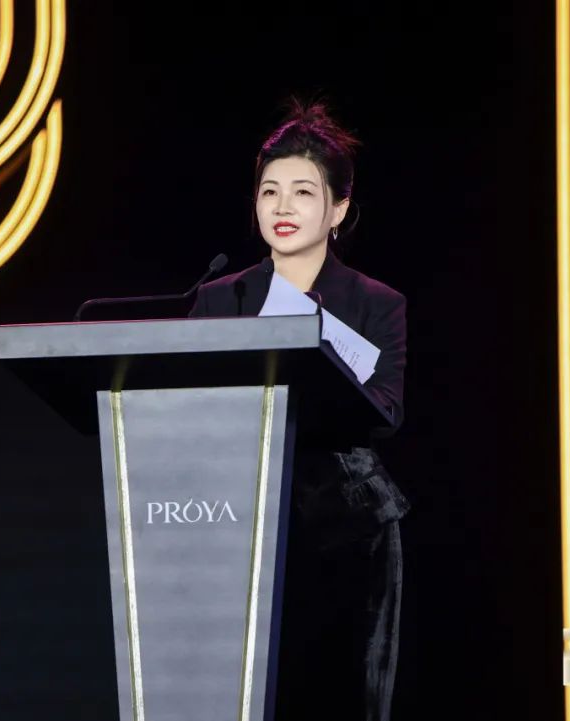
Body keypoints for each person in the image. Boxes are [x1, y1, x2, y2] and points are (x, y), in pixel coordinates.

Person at [189, 100, 409, 721]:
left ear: (338, 209)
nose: (282, 207)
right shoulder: (219, 297)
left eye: (303, 193)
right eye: (270, 191)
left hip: (347, 527)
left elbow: (386, 411)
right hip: (233, 518)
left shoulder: (375, 302)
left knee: (336, 695)